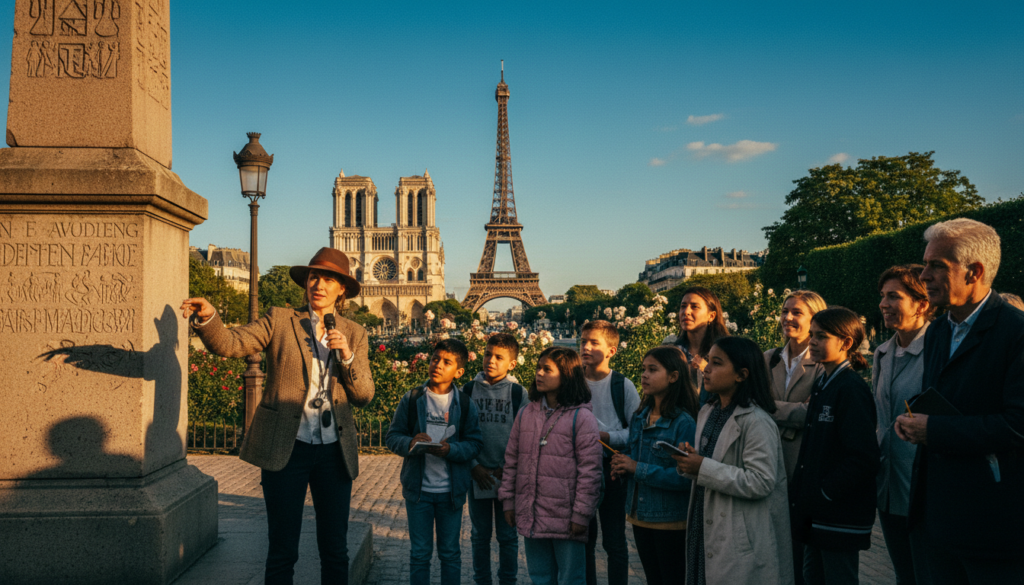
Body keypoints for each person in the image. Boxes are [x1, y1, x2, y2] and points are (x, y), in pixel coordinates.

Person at [181, 247, 375, 585]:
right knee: (283, 550)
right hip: (288, 448)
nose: (319, 284)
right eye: (314, 276)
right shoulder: (281, 319)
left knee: (335, 549)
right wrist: (210, 318)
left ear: (342, 288)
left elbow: (363, 395)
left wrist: (346, 355)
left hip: (334, 452)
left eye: (329, 279)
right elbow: (231, 343)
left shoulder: (355, 333)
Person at [895, 218, 1024, 585]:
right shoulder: (937, 331)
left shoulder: (1016, 333)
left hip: (992, 525)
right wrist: (914, 417)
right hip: (938, 520)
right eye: (925, 264)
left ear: (975, 272)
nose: (923, 275)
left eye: (937, 265)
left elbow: (1017, 423)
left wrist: (932, 429)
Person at [673, 336, 793, 585]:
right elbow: (713, 461)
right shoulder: (708, 411)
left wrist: (702, 467)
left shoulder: (756, 421)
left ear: (741, 375)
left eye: (716, 363)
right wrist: (691, 460)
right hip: (704, 524)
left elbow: (761, 481)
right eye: (709, 361)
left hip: (738, 533)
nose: (706, 369)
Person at [790, 308, 880, 585]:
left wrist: (826, 491)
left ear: (846, 342)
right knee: (812, 577)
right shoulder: (824, 382)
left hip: (838, 514)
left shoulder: (850, 387)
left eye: (821, 336)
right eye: (811, 335)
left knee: (838, 577)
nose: (812, 342)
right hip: (816, 512)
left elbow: (864, 457)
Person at [499, 347, 602, 585]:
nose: (539, 374)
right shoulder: (526, 413)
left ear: (566, 374)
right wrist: (508, 500)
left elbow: (591, 472)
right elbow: (512, 459)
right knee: (540, 578)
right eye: (538, 368)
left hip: (567, 517)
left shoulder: (582, 417)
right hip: (532, 513)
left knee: (571, 579)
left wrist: (581, 514)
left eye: (547, 369)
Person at [385, 339, 484, 585]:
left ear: (459, 372)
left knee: (450, 554)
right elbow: (392, 436)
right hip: (418, 492)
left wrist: (451, 450)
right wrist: (410, 443)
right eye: (435, 359)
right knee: (419, 554)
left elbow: (475, 444)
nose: (437, 365)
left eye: (447, 362)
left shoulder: (464, 403)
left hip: (451, 493)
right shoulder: (413, 398)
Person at [609, 346, 698, 585]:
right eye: (643, 369)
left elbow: (684, 477)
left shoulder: (684, 422)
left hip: (670, 520)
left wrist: (635, 467)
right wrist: (622, 463)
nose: (644, 375)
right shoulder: (640, 416)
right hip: (640, 516)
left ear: (673, 376)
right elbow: (633, 454)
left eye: (652, 369)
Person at [873, 266, 933, 585]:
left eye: (894, 296)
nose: (883, 303)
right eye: (882, 296)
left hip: (925, 488)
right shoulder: (882, 354)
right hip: (889, 486)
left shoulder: (937, 351)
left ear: (921, 304)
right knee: (903, 575)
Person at [764, 290, 826, 585]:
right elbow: (753, 404)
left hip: (803, 464)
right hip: (767, 462)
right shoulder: (768, 358)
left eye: (797, 312)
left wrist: (771, 411)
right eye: (785, 310)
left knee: (800, 552)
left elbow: (813, 413)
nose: (787, 317)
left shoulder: (823, 361)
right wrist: (793, 414)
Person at [578, 320, 640, 585]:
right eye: (583, 342)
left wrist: (606, 437)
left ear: (612, 351)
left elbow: (636, 432)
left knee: (614, 540)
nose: (586, 347)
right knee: (584, 539)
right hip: (581, 468)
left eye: (594, 342)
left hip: (612, 467)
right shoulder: (572, 383)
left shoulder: (623, 386)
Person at [466, 333, 527, 585]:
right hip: (477, 474)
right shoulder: (468, 389)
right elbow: (458, 432)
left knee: (508, 536)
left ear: (512, 364)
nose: (490, 360)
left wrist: (508, 468)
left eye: (499, 357)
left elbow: (525, 435)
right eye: (487, 354)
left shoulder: (517, 393)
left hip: (507, 475)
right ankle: (482, 580)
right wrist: (474, 466)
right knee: (480, 535)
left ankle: (507, 581)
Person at [666, 287, 730, 403]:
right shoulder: (671, 351)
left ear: (711, 316)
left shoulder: (728, 352)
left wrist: (708, 370)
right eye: (683, 306)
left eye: (694, 307)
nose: (686, 312)